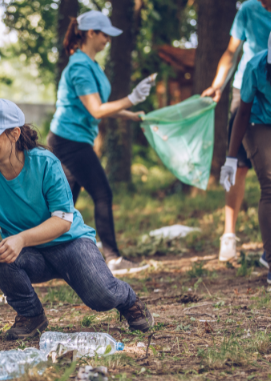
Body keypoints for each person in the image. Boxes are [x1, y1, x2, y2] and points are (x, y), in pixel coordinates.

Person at [0, 98, 154, 340]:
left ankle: (129, 301)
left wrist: (21, 239)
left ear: (13, 134)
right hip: (31, 255)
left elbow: (63, 221)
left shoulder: (45, 163)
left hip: (70, 243)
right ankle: (31, 315)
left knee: (102, 298)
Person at [47, 10, 154, 272]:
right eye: (104, 34)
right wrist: (132, 98)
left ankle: (47, 256)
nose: (108, 39)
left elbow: (100, 105)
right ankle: (113, 258)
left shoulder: (91, 64)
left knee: (64, 205)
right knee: (102, 193)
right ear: (91, 33)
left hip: (71, 139)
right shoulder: (80, 67)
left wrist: (132, 115)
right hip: (69, 141)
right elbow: (96, 110)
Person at [202, 0, 271, 263]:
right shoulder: (249, 14)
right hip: (254, 101)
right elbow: (231, 52)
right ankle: (241, 241)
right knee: (265, 181)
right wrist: (218, 85)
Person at [220, 23, 271, 287]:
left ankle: (270, 248)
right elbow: (243, 113)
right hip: (256, 122)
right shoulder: (255, 67)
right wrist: (230, 157)